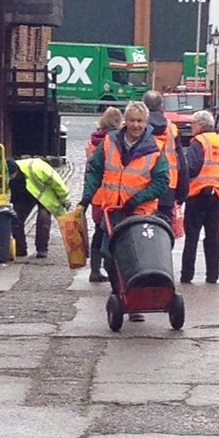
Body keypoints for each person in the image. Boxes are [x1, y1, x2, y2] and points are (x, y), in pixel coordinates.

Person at [80, 100, 169, 320]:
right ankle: (119, 294)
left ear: (146, 122)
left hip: (139, 212)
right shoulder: (110, 142)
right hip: (112, 210)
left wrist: (137, 199)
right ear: (125, 121)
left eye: (140, 121)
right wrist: (86, 197)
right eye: (132, 120)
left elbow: (161, 181)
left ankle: (136, 302)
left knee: (136, 258)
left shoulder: (155, 149)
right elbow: (95, 170)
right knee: (110, 257)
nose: (136, 125)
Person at [180, 110, 219, 284]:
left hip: (198, 194)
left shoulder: (199, 142)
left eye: (193, 124)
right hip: (218, 195)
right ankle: (212, 275)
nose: (191, 127)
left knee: (192, 236)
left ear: (200, 125)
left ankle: (187, 275)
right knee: (213, 236)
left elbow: (192, 168)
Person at [7, 156, 71, 259]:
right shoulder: (11, 175)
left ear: (16, 171)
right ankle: (20, 249)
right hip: (26, 195)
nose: (11, 178)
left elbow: (56, 182)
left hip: (45, 194)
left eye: (12, 175)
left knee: (43, 218)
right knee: (16, 218)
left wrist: (65, 198)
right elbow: (15, 197)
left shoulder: (37, 167)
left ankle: (42, 249)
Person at [143, 89, 189, 228]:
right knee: (163, 231)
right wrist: (181, 194)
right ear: (161, 106)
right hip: (167, 189)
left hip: (139, 186)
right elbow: (181, 164)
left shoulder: (135, 126)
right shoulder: (171, 129)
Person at [86, 107, 122, 282]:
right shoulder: (116, 141)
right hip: (111, 194)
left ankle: (95, 269)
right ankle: (113, 268)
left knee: (98, 233)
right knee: (112, 234)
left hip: (96, 197)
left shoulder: (92, 141)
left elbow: (90, 169)